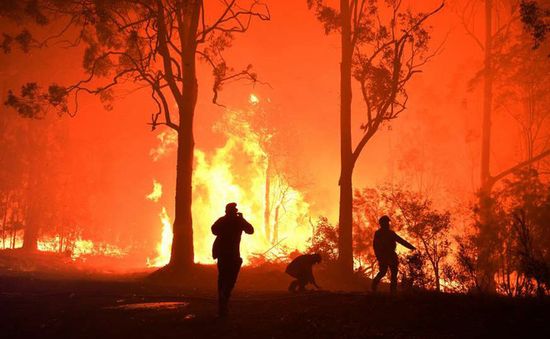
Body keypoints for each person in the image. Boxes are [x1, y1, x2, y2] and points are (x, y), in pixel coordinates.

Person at [211, 202, 254, 317]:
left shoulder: (222, 220)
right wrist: (242, 219)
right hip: (233, 254)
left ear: (226, 211)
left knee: (222, 277)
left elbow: (214, 230)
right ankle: (225, 296)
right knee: (231, 278)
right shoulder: (239, 221)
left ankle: (222, 301)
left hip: (222, 254)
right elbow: (250, 230)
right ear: (235, 212)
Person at [371, 215, 416, 293]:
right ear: (382, 223)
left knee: (394, 272)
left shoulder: (390, 233)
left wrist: (411, 247)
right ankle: (374, 286)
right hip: (384, 256)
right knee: (383, 272)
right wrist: (378, 256)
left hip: (391, 255)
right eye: (386, 223)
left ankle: (392, 291)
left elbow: (400, 240)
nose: (388, 224)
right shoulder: (379, 234)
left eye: (388, 223)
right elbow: (376, 246)